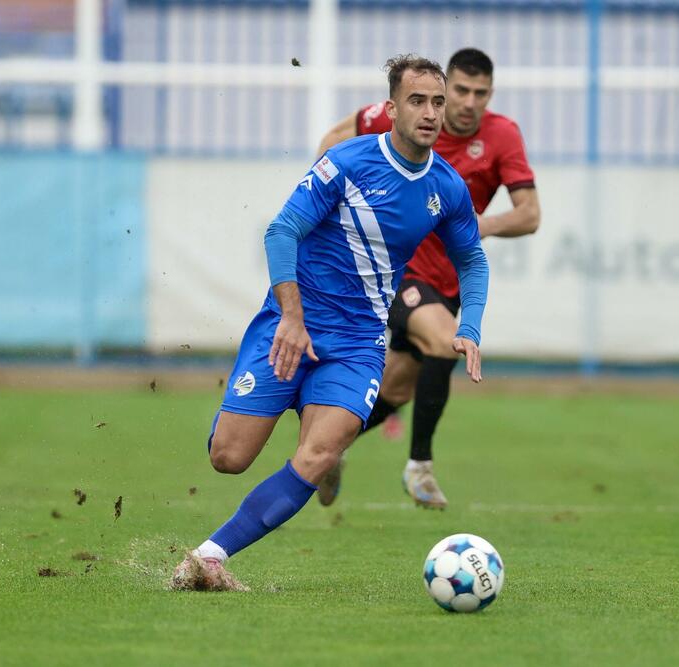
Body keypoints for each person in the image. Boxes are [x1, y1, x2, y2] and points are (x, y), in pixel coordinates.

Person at [171, 54, 489, 591]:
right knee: (228, 457)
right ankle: (279, 403)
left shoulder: (448, 188)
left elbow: (473, 261)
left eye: (438, 102)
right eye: (418, 101)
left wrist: (471, 327)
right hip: (291, 328)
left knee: (320, 453)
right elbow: (280, 232)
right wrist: (291, 318)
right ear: (390, 109)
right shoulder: (345, 163)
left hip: (358, 345)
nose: (431, 113)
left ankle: (209, 556)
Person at [315, 48, 540, 509]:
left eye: (480, 94)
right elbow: (335, 138)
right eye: (459, 90)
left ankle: (326, 450)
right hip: (396, 270)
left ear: (490, 95)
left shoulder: (502, 136)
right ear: (444, 87)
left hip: (447, 283)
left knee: (397, 388)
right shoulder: (404, 115)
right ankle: (419, 466)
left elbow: (530, 215)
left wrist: (482, 224)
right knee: (444, 341)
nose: (467, 102)